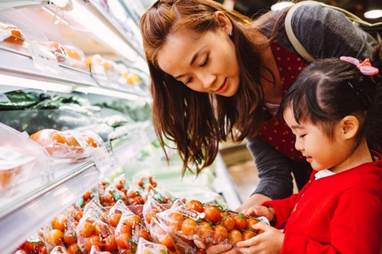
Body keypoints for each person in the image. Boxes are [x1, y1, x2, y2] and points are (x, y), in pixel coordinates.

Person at [140, 1, 378, 249]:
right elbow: (277, 175)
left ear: (222, 24)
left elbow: (374, 91)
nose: (206, 81)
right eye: (187, 79)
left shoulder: (307, 27)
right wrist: (260, 208)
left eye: (203, 61)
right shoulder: (235, 99)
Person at [235, 57, 382, 253]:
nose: (297, 145)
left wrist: (284, 245)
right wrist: (274, 212)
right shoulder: (334, 168)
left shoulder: (359, 194)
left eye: (303, 134)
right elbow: (306, 202)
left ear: (346, 128)